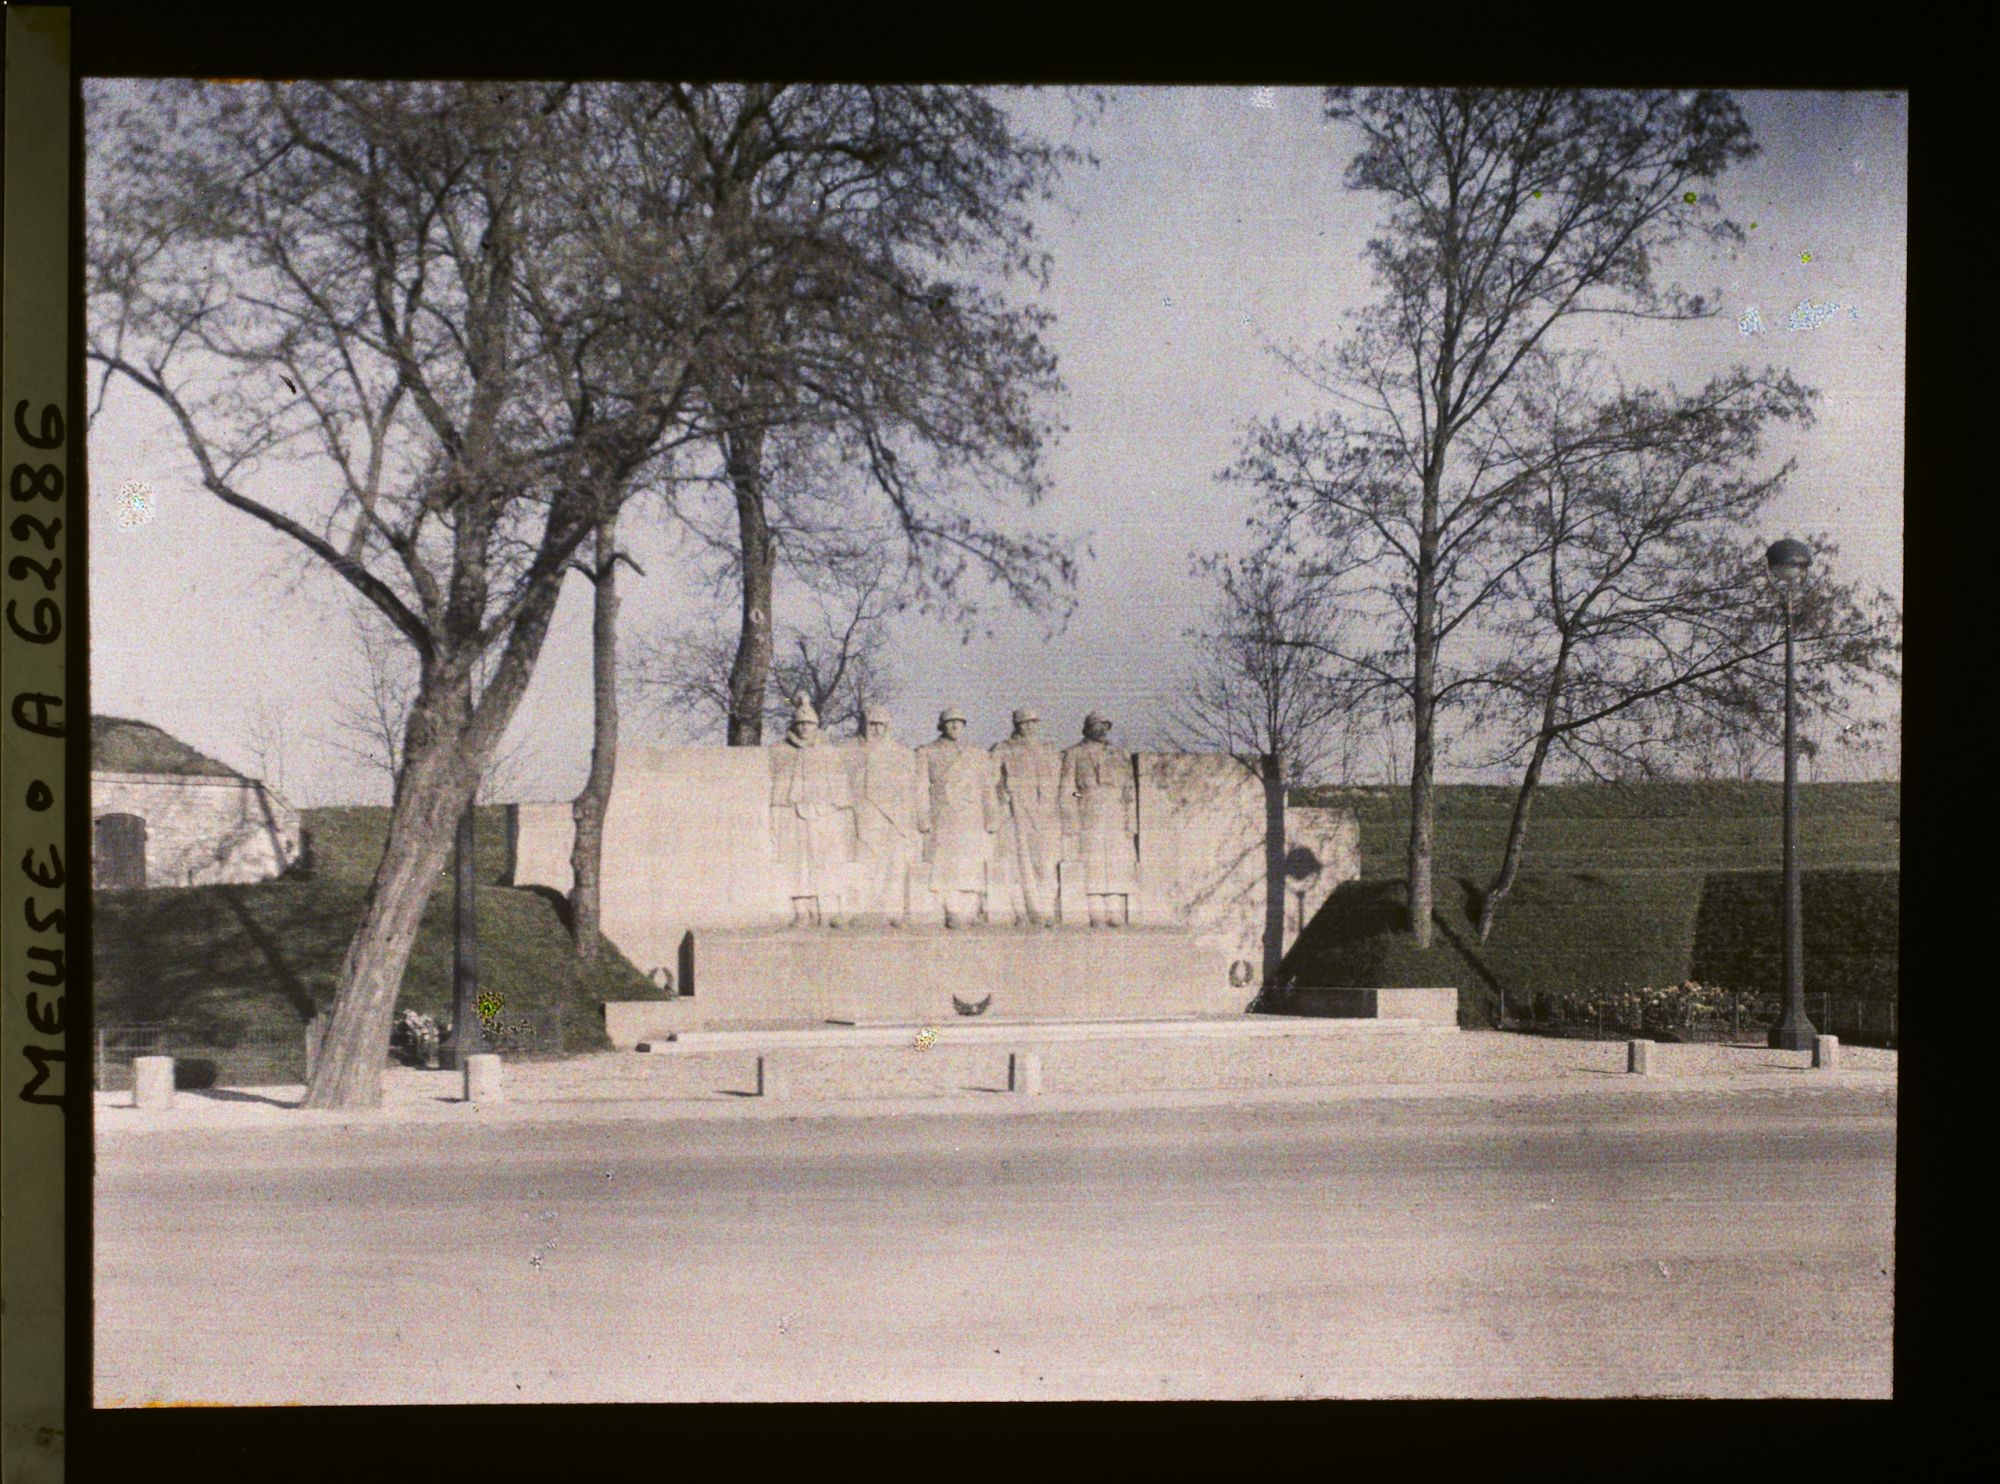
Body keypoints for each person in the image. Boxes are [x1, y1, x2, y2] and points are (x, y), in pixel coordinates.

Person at [769, 694, 854, 925]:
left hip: (823, 814)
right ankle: (801, 911)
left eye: (809, 723)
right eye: (800, 723)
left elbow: (840, 787)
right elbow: (776, 785)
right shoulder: (780, 750)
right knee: (798, 864)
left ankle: (826, 910)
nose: (804, 727)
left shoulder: (829, 752)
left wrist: (840, 810)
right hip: (793, 814)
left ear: (816, 725)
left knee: (825, 861)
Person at [914, 706, 998, 928]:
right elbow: (920, 787)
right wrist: (923, 814)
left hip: (971, 815)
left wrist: (991, 814)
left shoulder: (977, 754)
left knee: (970, 862)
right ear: (942, 726)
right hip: (943, 814)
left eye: (959, 722)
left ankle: (971, 909)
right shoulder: (928, 752)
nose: (954, 726)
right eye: (950, 722)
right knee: (946, 864)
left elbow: (987, 787)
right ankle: (951, 910)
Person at [843, 705, 921, 923]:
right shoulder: (849, 750)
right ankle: (865, 908)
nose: (877, 730)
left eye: (882, 725)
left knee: (894, 862)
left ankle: (893, 910)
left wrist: (908, 819)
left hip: (893, 816)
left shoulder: (902, 753)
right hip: (864, 811)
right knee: (866, 857)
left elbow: (910, 788)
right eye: (873, 725)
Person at [1058, 710, 1137, 926]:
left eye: (1105, 725)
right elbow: (1069, 790)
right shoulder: (1075, 753)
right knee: (1092, 861)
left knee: (1117, 860)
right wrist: (1082, 798)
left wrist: (1131, 820)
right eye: (1097, 725)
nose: (1101, 729)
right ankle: (1096, 911)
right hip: (1089, 811)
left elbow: (1129, 790)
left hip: (1116, 812)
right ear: (1087, 729)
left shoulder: (1120, 754)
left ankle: (1115, 909)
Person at [991, 706, 1061, 925]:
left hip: (1045, 813)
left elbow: (1069, 788)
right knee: (1017, 864)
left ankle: (1046, 910)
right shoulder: (1004, 749)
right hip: (1016, 812)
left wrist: (1078, 797)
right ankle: (1022, 911)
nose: (1030, 726)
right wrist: (1003, 794)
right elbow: (991, 781)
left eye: (1033, 722)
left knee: (1045, 863)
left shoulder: (1049, 750)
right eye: (1025, 722)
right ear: (1017, 725)